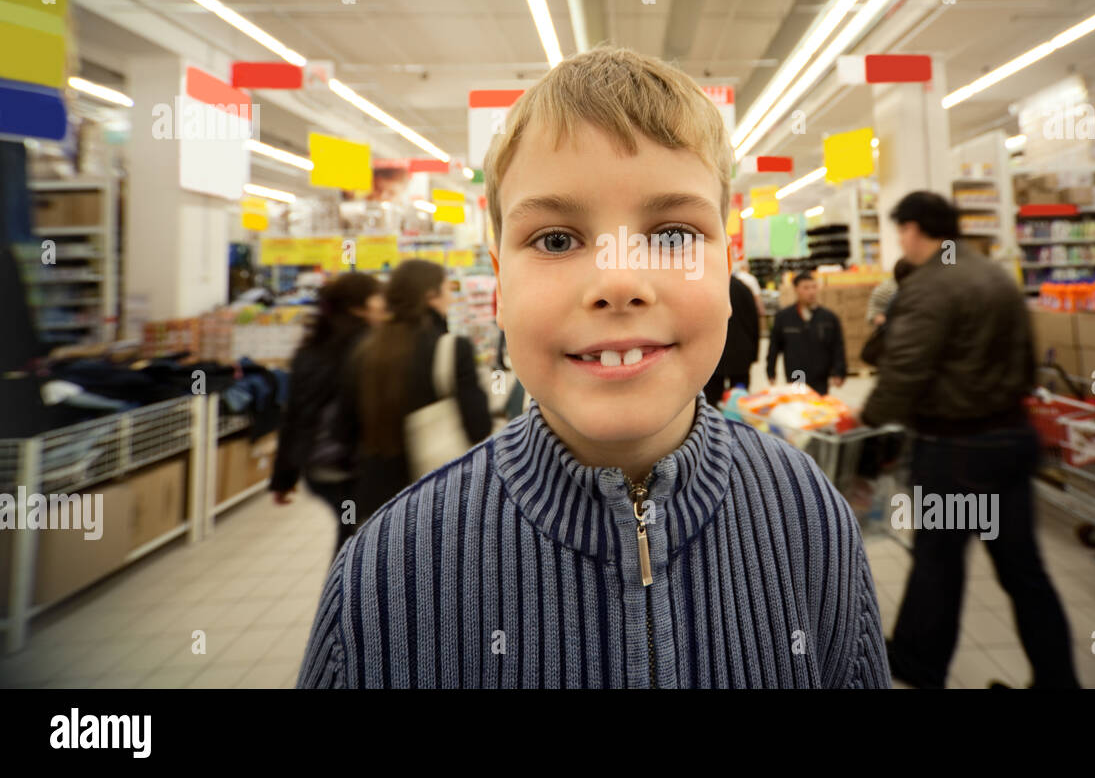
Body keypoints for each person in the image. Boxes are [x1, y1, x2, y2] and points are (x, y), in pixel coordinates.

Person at [299, 46, 889, 688]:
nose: (618, 281)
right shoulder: (387, 572)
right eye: (556, 240)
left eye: (672, 235)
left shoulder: (809, 515)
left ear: (726, 267)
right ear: (499, 288)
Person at [861, 191, 1077, 689]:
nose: (901, 242)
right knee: (1025, 571)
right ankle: (1058, 679)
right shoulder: (994, 273)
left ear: (914, 229)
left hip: (957, 451)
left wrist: (870, 423)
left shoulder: (932, 284)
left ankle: (919, 663)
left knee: (938, 560)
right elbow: (1028, 360)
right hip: (1010, 440)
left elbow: (905, 370)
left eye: (901, 231)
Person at [333, 259, 493, 526]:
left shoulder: (363, 351)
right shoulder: (451, 348)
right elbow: (478, 427)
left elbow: (343, 431)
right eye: (447, 289)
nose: (451, 299)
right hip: (438, 498)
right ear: (431, 295)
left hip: (377, 502)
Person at [271, 273, 384, 558]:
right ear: (358, 306)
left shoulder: (310, 349)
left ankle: (345, 593)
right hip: (348, 462)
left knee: (352, 529)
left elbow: (294, 415)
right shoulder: (366, 346)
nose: (383, 304)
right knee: (355, 537)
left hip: (319, 466)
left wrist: (284, 478)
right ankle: (343, 597)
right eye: (377, 297)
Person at [766, 271, 847, 395]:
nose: (811, 292)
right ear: (796, 289)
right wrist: (771, 371)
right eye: (806, 288)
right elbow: (774, 346)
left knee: (819, 409)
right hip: (796, 374)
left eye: (814, 287)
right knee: (798, 409)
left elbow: (837, 347)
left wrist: (839, 371)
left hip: (820, 377)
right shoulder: (784, 317)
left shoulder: (829, 318)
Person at [704, 272, 760, 406]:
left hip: (713, 353)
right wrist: (754, 353)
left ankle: (713, 424)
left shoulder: (708, 287)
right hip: (741, 352)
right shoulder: (744, 289)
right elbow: (754, 322)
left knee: (712, 398)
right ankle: (738, 424)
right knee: (739, 399)